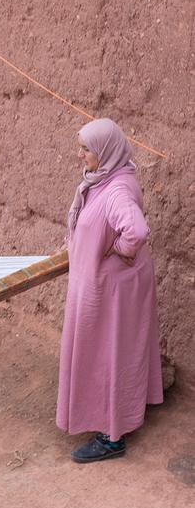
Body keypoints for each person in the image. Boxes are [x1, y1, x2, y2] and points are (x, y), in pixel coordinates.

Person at [58, 118, 163, 462]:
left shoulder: (116, 190)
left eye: (86, 148)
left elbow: (135, 230)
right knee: (111, 350)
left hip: (115, 290)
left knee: (110, 353)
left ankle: (112, 437)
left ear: (105, 151)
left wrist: (118, 250)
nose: (80, 155)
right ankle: (121, 413)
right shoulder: (109, 178)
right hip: (108, 285)